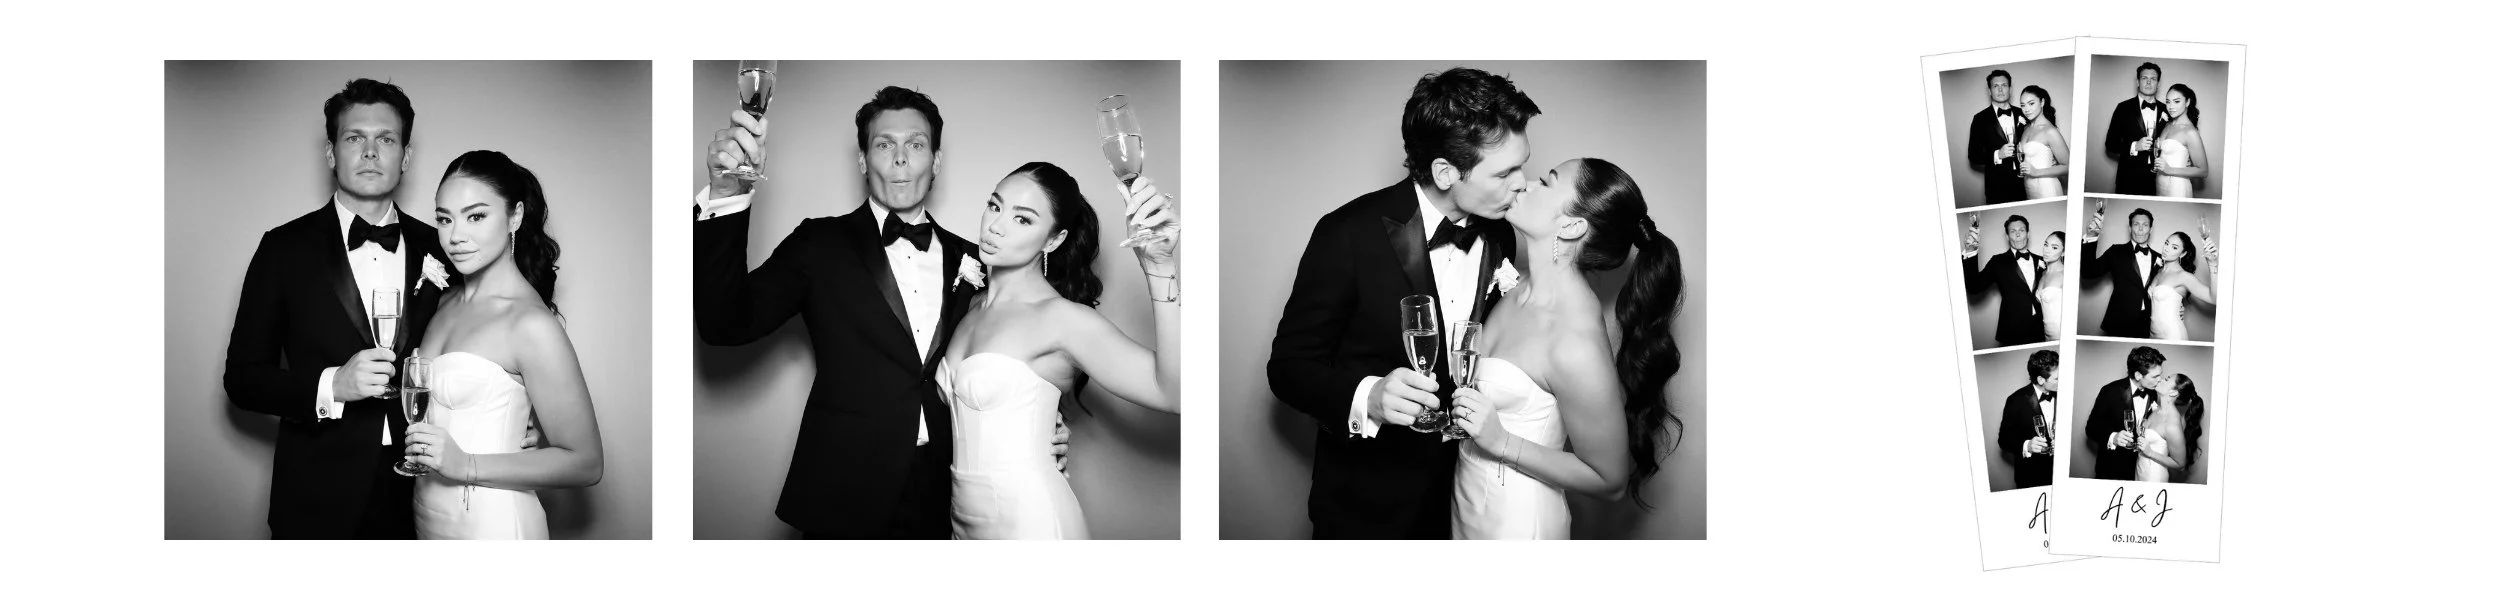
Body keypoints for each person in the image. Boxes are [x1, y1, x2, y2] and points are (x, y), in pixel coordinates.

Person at [692, 86, 1066, 539]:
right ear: (863, 161)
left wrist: (1042, 424)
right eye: (884, 144)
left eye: (916, 144)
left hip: (948, 497)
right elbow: (724, 324)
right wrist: (727, 194)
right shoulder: (818, 244)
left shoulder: (979, 259)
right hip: (843, 492)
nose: (900, 158)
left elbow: (1020, 348)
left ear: (937, 161)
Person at [1268, 67, 1532, 539]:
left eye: (1523, 165)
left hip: (1466, 500)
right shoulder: (1346, 233)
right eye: (1506, 171)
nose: (1522, 183)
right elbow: (1287, 369)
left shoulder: (1501, 235)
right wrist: (1368, 395)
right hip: (1366, 507)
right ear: (1445, 172)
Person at [222, 79, 458, 539]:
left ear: (405, 157)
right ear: (331, 153)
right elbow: (242, 380)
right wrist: (334, 385)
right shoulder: (282, 248)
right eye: (355, 138)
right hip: (316, 496)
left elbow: (479, 341)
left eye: (385, 139)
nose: (370, 152)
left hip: (427, 495)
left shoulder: (443, 246)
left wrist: (515, 421)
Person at [1440, 158, 1684, 539]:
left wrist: (1501, 441)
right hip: (1468, 503)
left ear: (1571, 226)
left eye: (1545, 182)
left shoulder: (1575, 340)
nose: (1524, 185)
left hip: (1516, 523)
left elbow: (1610, 480)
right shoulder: (1517, 285)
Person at [939, 163, 1181, 539]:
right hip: (960, 523)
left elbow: (1174, 393)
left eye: (1023, 220)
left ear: (1053, 240)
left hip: (1030, 523)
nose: (996, 226)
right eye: (995, 205)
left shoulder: (1061, 319)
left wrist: (1159, 265)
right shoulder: (971, 305)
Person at [397, 151, 603, 539]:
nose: (455, 236)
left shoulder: (530, 323)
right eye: (445, 218)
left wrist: (467, 464)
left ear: (515, 216)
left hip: (492, 526)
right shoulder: (442, 302)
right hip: (429, 518)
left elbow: (586, 464)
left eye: (476, 216)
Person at [1962, 214, 2048, 347]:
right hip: (2012, 331)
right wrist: (1971, 251)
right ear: (2007, 237)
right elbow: (1974, 287)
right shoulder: (1998, 261)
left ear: (2028, 234)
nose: (2018, 235)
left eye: (2021, 230)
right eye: (2013, 232)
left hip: (2041, 329)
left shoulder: (2043, 260)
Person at [2083, 346, 2164, 481]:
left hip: (2141, 469)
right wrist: (2113, 437)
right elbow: (2091, 429)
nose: (2160, 379)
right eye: (2155, 376)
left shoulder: (2154, 394)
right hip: (2111, 469)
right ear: (2138, 375)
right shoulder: (2110, 391)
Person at [2080, 207, 2158, 338]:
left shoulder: (2161, 258)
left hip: (2149, 323)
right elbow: (2088, 272)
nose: (2140, 229)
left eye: (2145, 225)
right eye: (2136, 224)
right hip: (2119, 322)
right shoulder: (2116, 251)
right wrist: (2091, 236)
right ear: (2130, 228)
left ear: (2150, 229)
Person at [1995, 349, 2058, 490]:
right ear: (2041, 380)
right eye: (2057, 378)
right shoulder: (2015, 400)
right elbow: (2003, 440)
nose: (2061, 381)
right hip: (2031, 478)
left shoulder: (2062, 394)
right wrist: (2027, 445)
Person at [2104, 62, 2166, 196]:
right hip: (2128, 178)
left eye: (2153, 79)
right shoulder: (2122, 108)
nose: (2148, 83)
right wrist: (2134, 146)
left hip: (2159, 179)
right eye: (2144, 78)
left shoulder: (2166, 110)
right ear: (2138, 82)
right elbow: (2110, 144)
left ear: (2158, 84)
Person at [2146, 231, 2220, 341]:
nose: (2166, 248)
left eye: (2174, 247)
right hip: (2152, 335)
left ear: (2182, 253)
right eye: (2166, 243)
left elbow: (2214, 298)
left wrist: (2212, 263)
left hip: (2172, 335)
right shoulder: (2159, 271)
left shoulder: (2183, 276)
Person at [1966, 70, 2025, 204]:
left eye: (2004, 85)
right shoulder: (1979, 119)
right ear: (1989, 91)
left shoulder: (2022, 112)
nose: (2000, 89)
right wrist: (1998, 154)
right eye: (1995, 86)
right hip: (1997, 188)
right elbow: (1973, 156)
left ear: (2010, 88)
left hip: (2025, 183)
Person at [2132, 373, 2205, 483]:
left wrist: (2150, 453)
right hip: (2141, 470)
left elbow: (2180, 464)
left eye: (2166, 379)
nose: (2160, 379)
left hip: (2153, 477)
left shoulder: (2172, 423)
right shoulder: (2156, 409)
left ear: (2173, 392)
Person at [2151, 84, 2211, 198]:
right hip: (2160, 184)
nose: (2170, 106)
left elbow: (2203, 171)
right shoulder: (2168, 125)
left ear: (2187, 102)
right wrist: (2158, 165)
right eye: (2168, 102)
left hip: (2177, 188)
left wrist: (2169, 169)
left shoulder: (2190, 132)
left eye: (2176, 101)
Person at [2015, 85, 2068, 199]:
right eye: (2023, 105)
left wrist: (2036, 172)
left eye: (2031, 103)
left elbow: (2069, 167)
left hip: (2047, 189)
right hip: (2029, 187)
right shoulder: (2026, 129)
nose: (2026, 109)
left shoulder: (2050, 131)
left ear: (2042, 102)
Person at [2036, 231, 2067, 341]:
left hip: (2061, 335)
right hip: (2044, 334)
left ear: (2063, 252)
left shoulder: (2066, 274)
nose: (2047, 250)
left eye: (2054, 248)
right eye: (2046, 244)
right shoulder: (2042, 273)